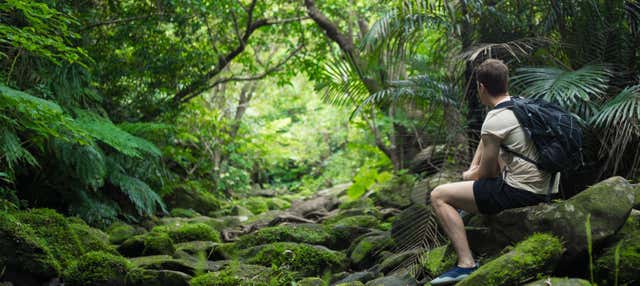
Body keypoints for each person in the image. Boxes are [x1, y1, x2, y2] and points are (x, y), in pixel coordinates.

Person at [428, 59, 560, 285]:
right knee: (489, 144)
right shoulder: (521, 106)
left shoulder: (496, 119)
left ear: (481, 87)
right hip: (549, 187)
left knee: (439, 195)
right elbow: (490, 141)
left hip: (522, 192)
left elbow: (487, 175)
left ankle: (465, 264)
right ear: (506, 82)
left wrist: (468, 176)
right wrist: (474, 170)